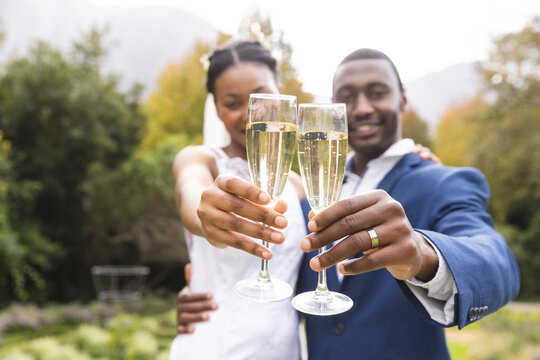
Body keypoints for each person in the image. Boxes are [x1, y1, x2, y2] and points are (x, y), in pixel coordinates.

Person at [175, 48, 520, 360]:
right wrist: (201, 290)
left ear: (403, 99)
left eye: (377, 93)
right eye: (347, 97)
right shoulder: (309, 188)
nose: (362, 108)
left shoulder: (443, 180)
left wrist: (422, 252)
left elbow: (497, 262)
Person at [168, 40, 308, 360]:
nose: (251, 115)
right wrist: (206, 212)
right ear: (216, 108)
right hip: (213, 347)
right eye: (232, 103)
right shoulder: (200, 160)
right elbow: (192, 194)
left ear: (281, 92)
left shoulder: (299, 185)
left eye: (262, 96)